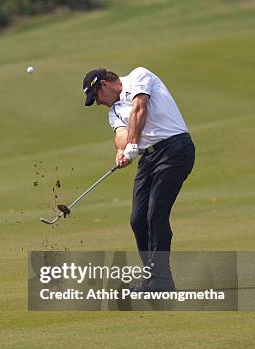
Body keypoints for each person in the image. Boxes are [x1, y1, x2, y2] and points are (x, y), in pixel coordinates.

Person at [82, 67, 195, 291]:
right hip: (149, 158)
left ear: (103, 84)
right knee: (138, 219)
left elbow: (139, 108)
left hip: (175, 149)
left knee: (156, 214)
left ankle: (160, 280)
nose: (98, 103)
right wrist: (122, 151)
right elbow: (121, 135)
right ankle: (155, 278)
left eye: (96, 97)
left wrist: (133, 144)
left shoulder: (139, 76)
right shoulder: (113, 111)